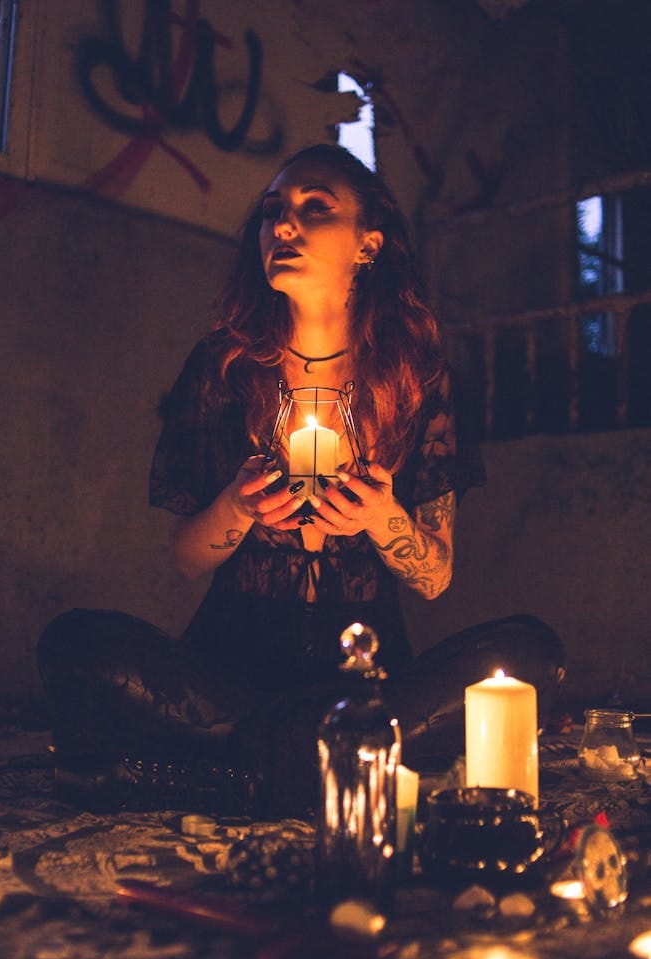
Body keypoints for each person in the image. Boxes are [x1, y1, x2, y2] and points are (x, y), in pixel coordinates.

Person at [38, 144, 564, 817]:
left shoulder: (414, 377)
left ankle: (243, 776)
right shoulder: (223, 368)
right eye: (272, 213)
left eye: (314, 209)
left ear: (367, 244)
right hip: (229, 681)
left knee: (531, 655)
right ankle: (332, 767)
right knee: (77, 642)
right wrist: (237, 505)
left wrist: (381, 518)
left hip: (370, 684)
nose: (283, 226)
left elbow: (434, 576)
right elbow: (185, 558)